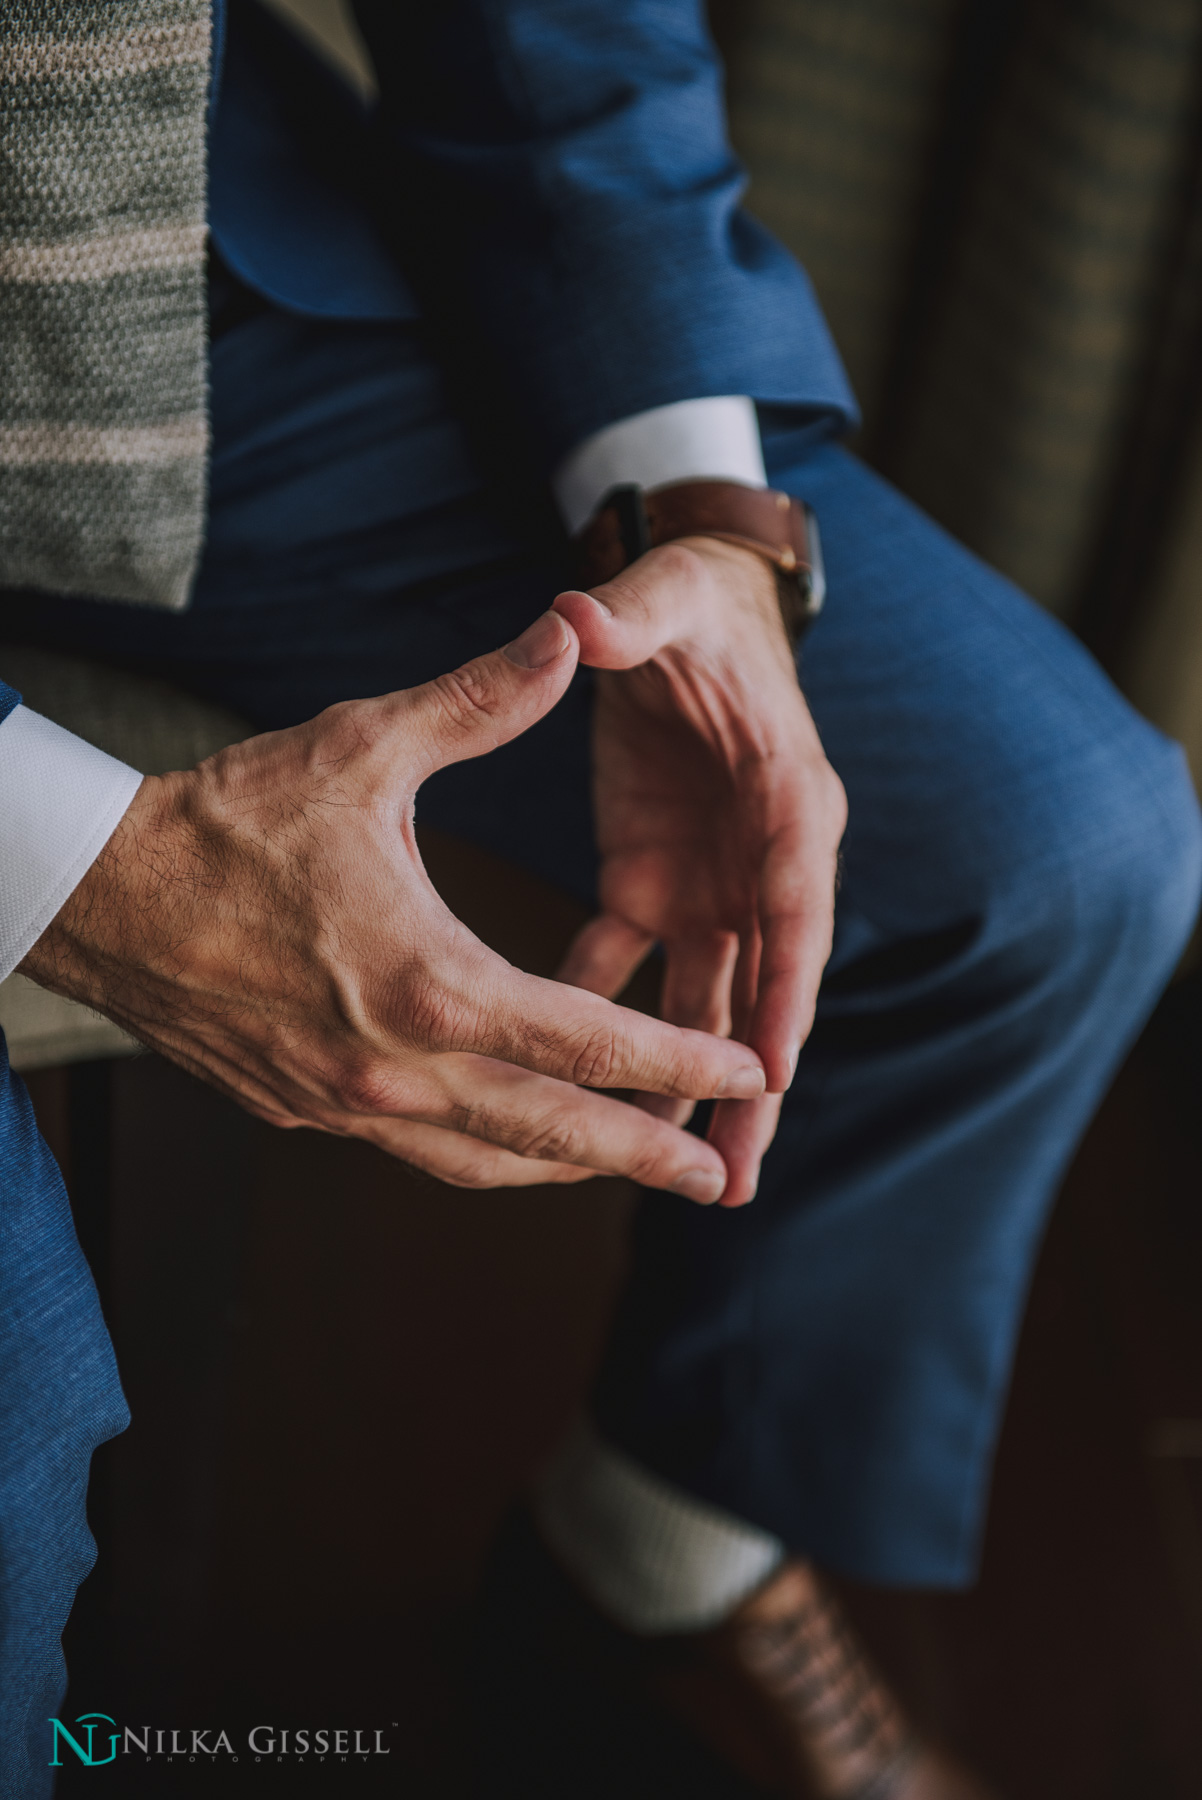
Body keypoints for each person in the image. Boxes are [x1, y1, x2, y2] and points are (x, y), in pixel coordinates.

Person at [1, 2, 1199, 1795]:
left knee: (1054, 848)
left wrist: (693, 511)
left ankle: (656, 1554)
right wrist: (68, 867)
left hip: (156, 312)